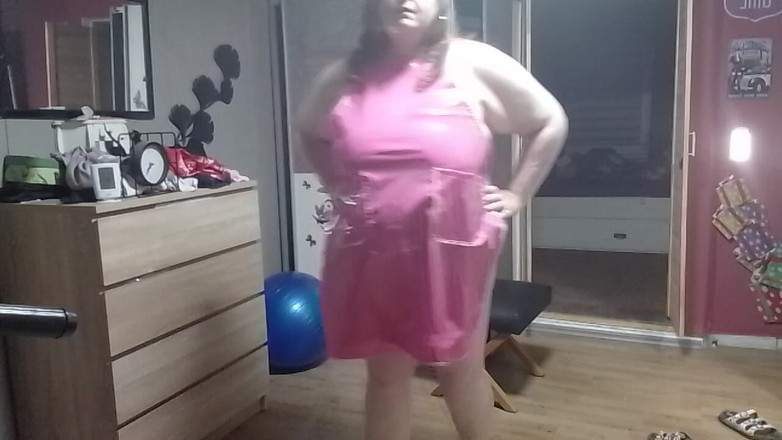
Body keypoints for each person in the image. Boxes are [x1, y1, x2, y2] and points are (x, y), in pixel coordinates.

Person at [297, 1, 568, 439]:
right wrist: (336, 184)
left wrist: (517, 193)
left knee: (460, 367)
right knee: (386, 373)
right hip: (373, 248)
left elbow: (550, 120)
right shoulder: (348, 75)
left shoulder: (471, 62)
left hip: (454, 249)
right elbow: (310, 130)